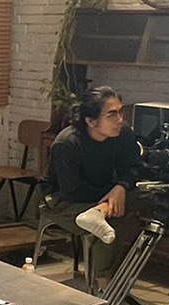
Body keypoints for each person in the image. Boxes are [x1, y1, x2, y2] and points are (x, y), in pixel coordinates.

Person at [44, 86, 145, 252]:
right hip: (64, 200)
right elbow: (72, 190)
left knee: (152, 194)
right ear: (91, 121)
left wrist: (121, 187)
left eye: (120, 112)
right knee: (110, 222)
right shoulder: (68, 143)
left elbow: (134, 167)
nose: (120, 119)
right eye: (112, 114)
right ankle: (104, 275)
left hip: (104, 192)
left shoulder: (123, 132)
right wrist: (110, 198)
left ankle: (100, 212)